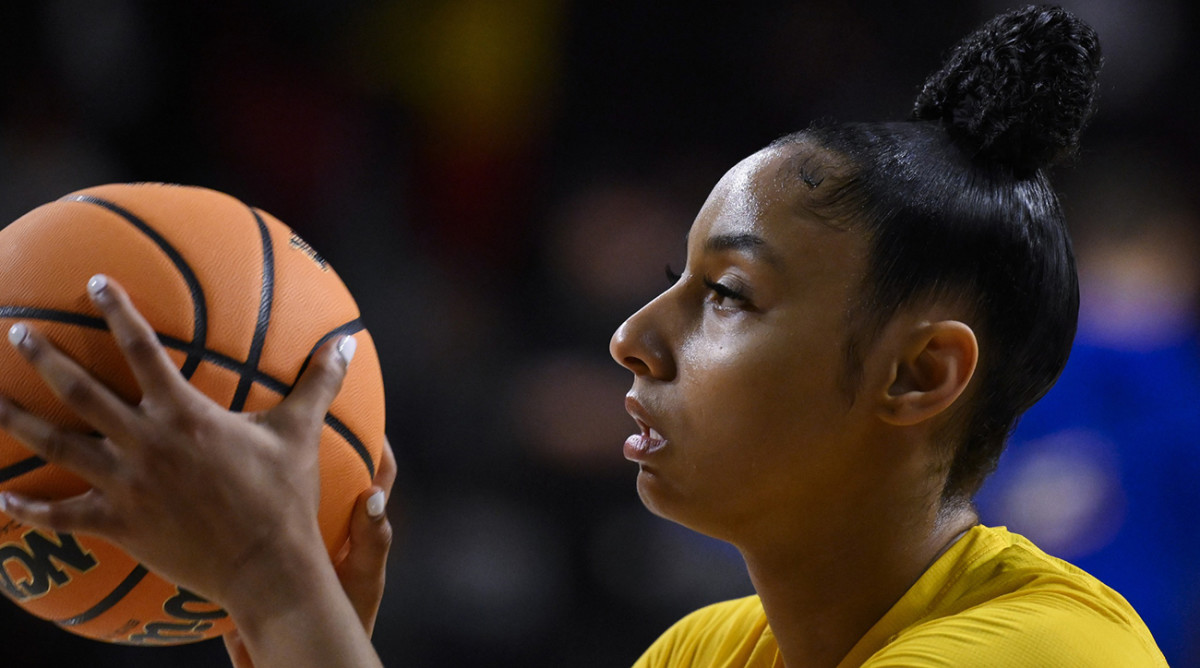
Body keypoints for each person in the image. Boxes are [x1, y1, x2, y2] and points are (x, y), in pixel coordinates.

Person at [0, 5, 1169, 667]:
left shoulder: (1048, 650)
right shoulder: (706, 651)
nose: (628, 338)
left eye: (727, 296)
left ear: (920, 373)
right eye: (671, 279)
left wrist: (275, 584)